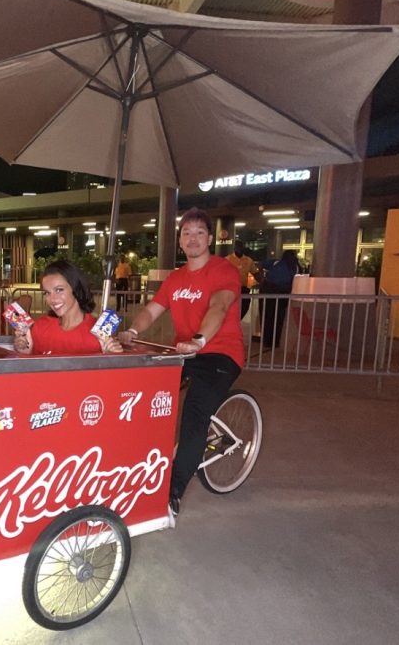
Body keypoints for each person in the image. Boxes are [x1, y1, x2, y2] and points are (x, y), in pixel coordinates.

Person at [118, 207, 244, 518]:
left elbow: (219, 306)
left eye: (200, 232)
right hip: (185, 353)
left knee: (194, 414)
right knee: (146, 396)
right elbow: (153, 309)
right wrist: (132, 330)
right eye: (186, 233)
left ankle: (171, 493)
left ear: (211, 238)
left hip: (220, 353)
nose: (193, 238)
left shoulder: (223, 271)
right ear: (179, 240)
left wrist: (201, 340)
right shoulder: (175, 277)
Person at [13, 259, 122, 355]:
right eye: (47, 293)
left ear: (75, 288)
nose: (52, 299)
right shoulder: (40, 327)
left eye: (59, 290)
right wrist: (25, 352)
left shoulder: (100, 333)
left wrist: (112, 357)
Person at [258, 249, 301, 348]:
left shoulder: (278, 263)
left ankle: (269, 341)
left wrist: (262, 279)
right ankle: (273, 341)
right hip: (279, 293)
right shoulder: (294, 266)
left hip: (270, 291)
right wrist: (262, 279)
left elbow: (261, 265)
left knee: (268, 317)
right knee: (277, 318)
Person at [226, 240, 256, 319]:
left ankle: (238, 320)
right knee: (231, 310)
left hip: (244, 289)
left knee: (244, 307)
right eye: (237, 247)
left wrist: (251, 286)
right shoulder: (227, 260)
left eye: (240, 247)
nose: (238, 249)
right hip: (231, 289)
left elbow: (254, 273)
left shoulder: (249, 260)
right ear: (234, 248)